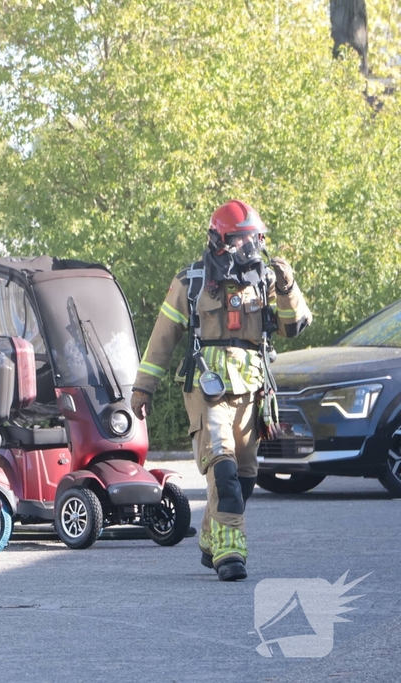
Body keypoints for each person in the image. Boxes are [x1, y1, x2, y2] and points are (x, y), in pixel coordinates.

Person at [130, 200, 311, 582]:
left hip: (252, 390)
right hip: (207, 388)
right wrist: (143, 389)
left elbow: (293, 327)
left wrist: (288, 286)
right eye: (242, 241)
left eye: (254, 240)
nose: (251, 249)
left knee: (244, 476)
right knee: (223, 468)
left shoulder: (264, 282)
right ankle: (231, 554)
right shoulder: (191, 281)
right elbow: (162, 339)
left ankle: (212, 537)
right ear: (219, 241)